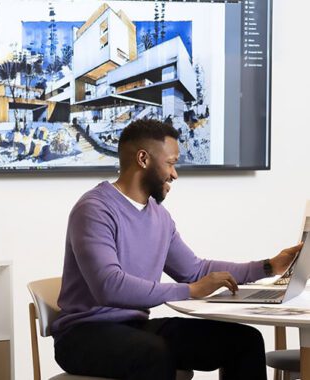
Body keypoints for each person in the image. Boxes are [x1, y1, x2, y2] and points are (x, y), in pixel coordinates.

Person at [51, 119, 302, 380]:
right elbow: (109, 285)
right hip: (83, 335)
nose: (174, 174)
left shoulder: (159, 216)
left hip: (134, 328)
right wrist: (190, 290)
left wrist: (269, 266)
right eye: (170, 163)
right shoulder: (95, 209)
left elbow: (196, 270)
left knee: (244, 341)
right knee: (154, 353)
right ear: (143, 159)